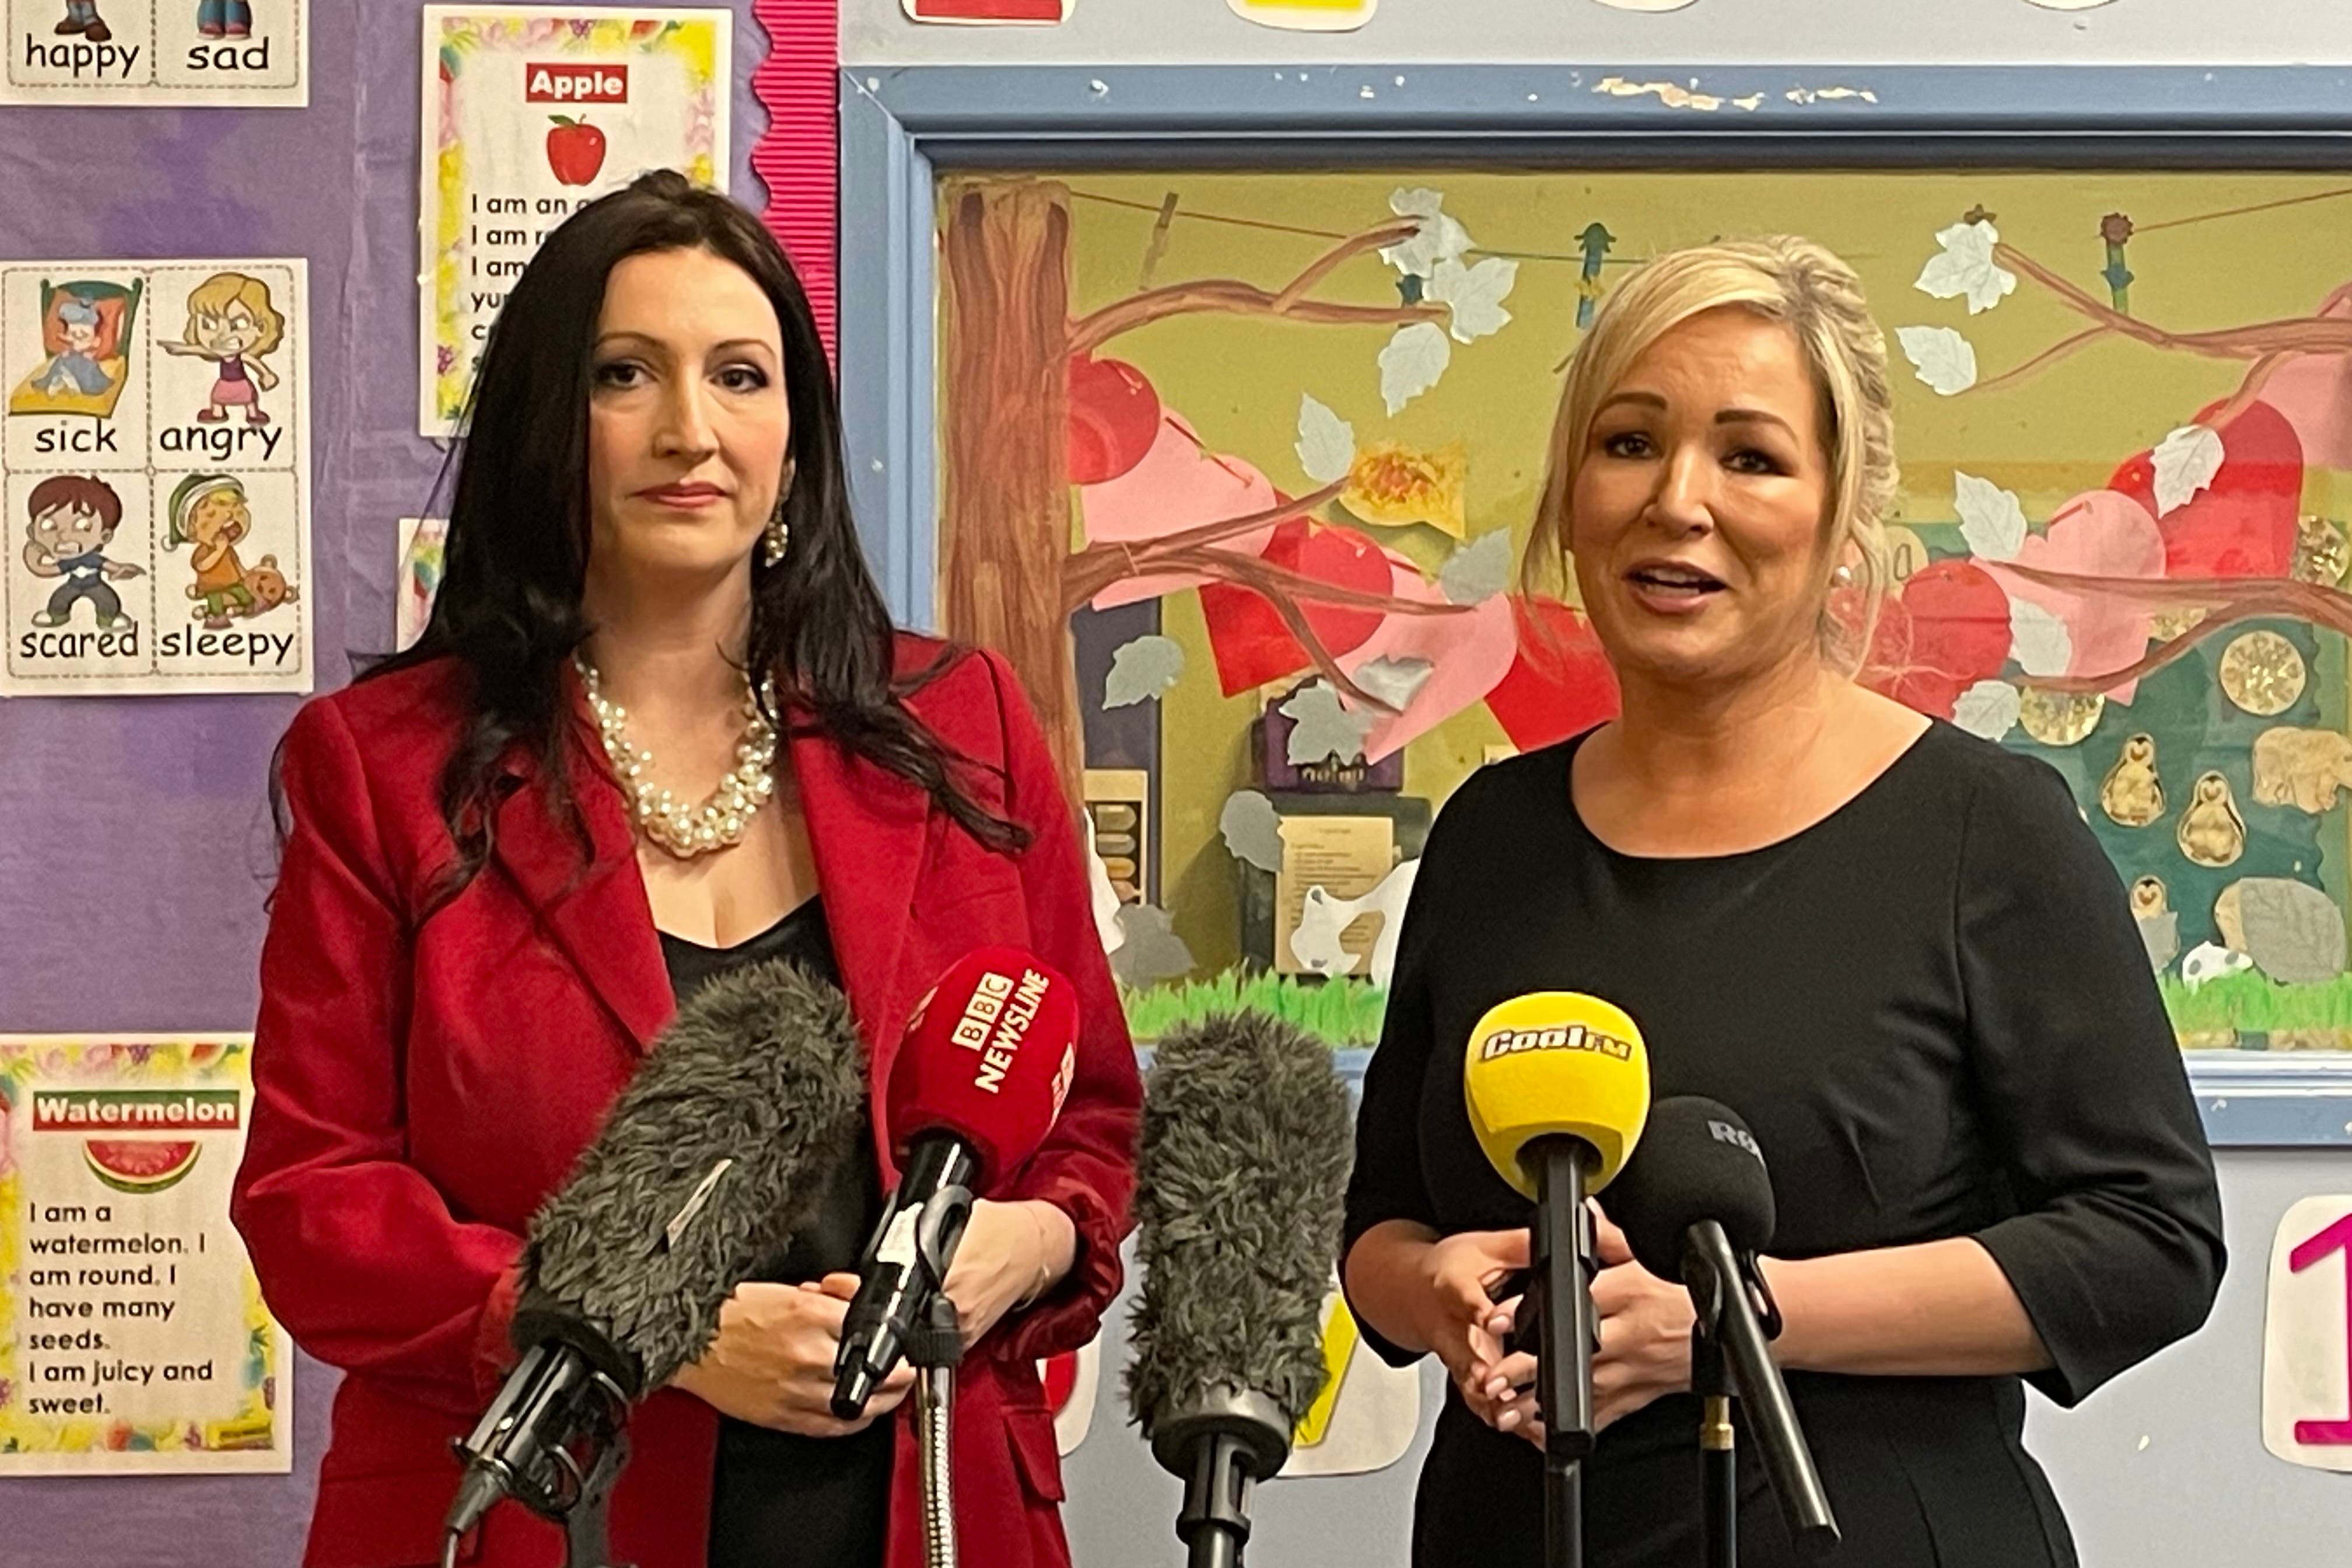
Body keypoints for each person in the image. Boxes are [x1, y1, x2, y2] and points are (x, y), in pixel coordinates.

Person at [230, 171, 1141, 1568]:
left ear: (796, 434)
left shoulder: (964, 729)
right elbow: (315, 1201)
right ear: (551, 418)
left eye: (739, 375)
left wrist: (1034, 1239)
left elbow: (1090, 1115)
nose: (689, 430)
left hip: (925, 1509)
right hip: (547, 1512)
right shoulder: (382, 766)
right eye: (623, 374)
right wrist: (659, 1320)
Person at [1339, 235, 2224, 1567]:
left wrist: (1741, 1313)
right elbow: (1384, 1225)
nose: (1677, 501)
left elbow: (2149, 1242)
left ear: (1839, 512)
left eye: (1749, 457)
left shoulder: (1986, 831)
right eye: (1630, 442)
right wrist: (1434, 1291)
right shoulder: (1489, 839)